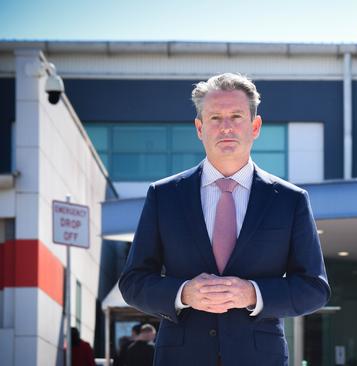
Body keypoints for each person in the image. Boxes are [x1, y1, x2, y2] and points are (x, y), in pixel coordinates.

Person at [119, 73, 330, 366]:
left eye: (236, 116)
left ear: (255, 126)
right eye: (215, 117)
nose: (226, 127)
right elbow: (133, 282)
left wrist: (253, 294)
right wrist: (184, 293)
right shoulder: (164, 196)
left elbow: (314, 289)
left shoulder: (289, 200)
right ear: (199, 127)